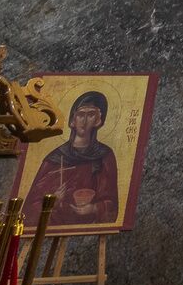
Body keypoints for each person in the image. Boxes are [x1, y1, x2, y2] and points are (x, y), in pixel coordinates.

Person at [32, 90, 124, 227]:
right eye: (81, 114)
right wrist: (53, 202)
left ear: (99, 121)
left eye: (91, 115)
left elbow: (111, 202)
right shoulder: (55, 158)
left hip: (90, 227)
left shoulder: (104, 156)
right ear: (72, 120)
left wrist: (94, 208)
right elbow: (30, 207)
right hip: (54, 224)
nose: (85, 120)